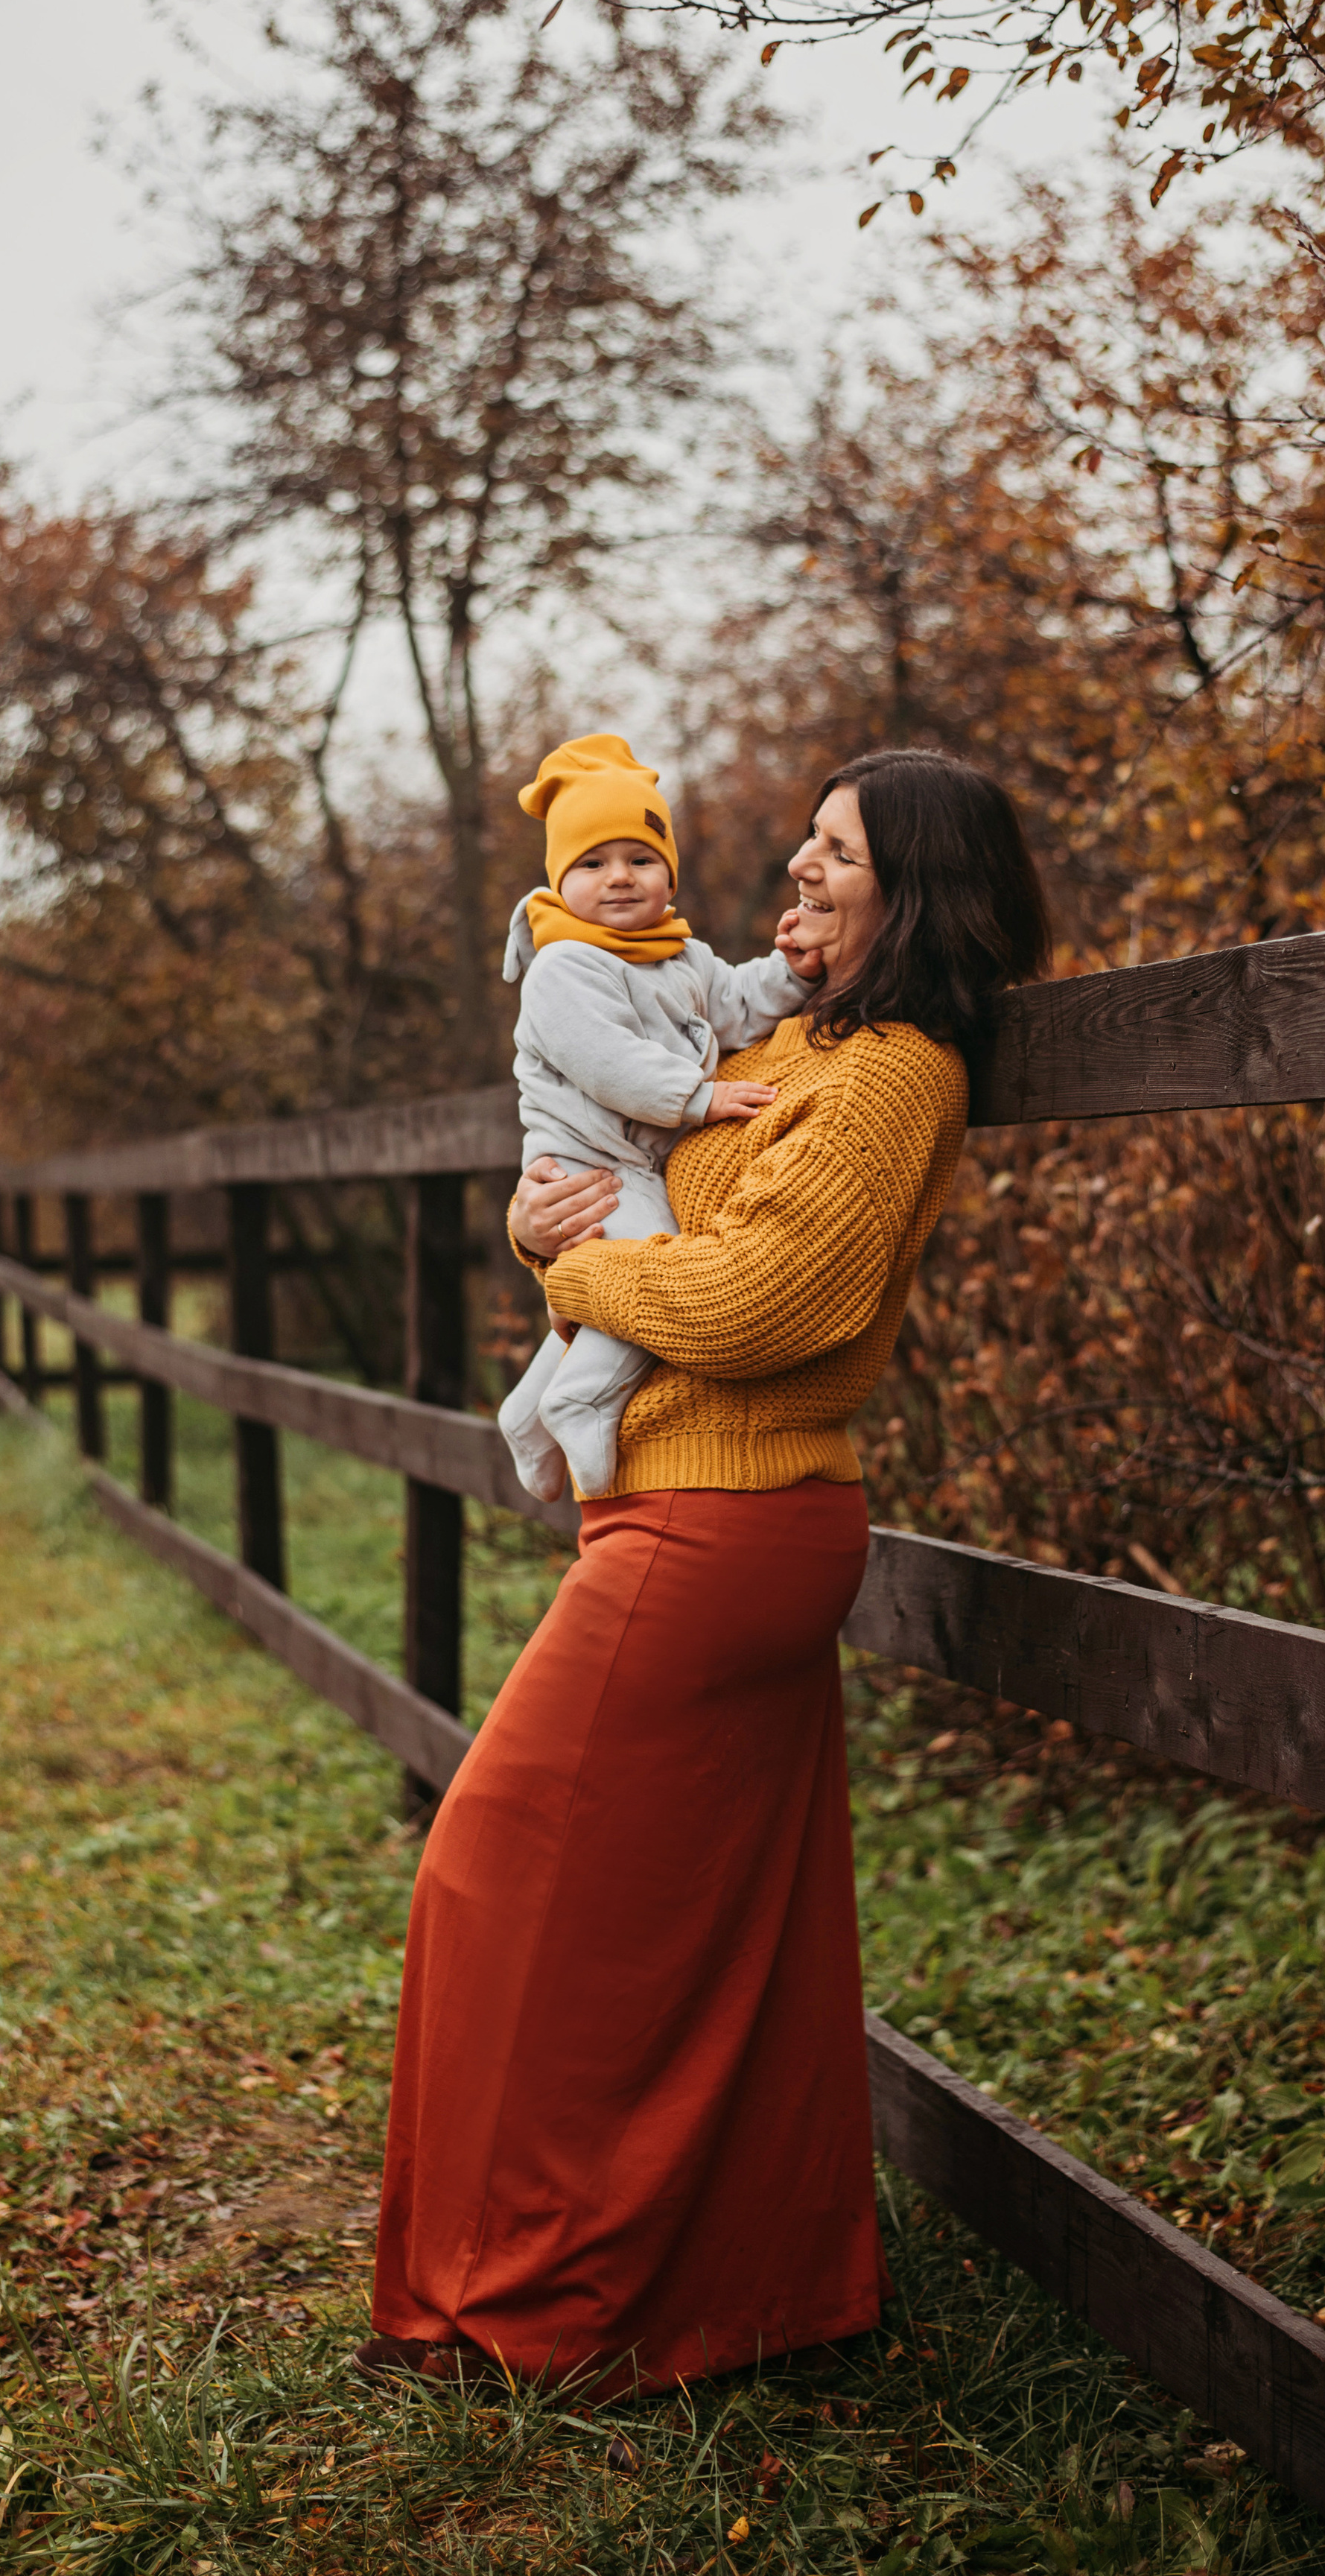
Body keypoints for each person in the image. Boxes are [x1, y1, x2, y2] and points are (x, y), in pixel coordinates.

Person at [363, 747, 1052, 2396]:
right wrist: (559, 1235)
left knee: (493, 1872)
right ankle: (748, 2296)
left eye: (837, 856)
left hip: (728, 1530)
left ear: (915, 897)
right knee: (722, 1936)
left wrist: (576, 1257)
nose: (795, 872)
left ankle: (519, 2306)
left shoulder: (893, 1076)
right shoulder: (772, 1032)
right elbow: (605, 1128)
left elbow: (765, 1309)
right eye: (804, 844)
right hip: (679, 1510)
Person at [495, 731, 822, 1502]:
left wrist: (794, 972)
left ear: (668, 873)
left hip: (633, 1162)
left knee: (618, 1281)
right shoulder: (563, 966)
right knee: (647, 1269)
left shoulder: (681, 956)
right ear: (559, 877)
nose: (619, 879)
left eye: (640, 860)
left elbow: (739, 1004)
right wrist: (699, 1098)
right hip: (584, 1160)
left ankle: (528, 1412)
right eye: (592, 863)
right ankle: (582, 1398)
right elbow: (605, 1060)